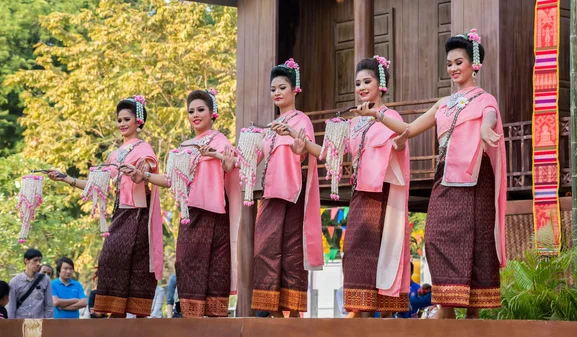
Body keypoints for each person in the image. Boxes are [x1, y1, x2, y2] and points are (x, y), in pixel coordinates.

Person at [375, 29, 507, 319]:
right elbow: (409, 129)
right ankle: (446, 304)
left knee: (476, 238)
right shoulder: (443, 104)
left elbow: (490, 115)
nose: (453, 69)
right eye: (449, 64)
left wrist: (486, 128)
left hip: (475, 179)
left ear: (474, 64)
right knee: (434, 235)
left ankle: (471, 313)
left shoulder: (484, 98)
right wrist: (377, 115)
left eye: (459, 62)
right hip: (445, 177)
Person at [274, 56, 411, 318]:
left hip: (382, 195)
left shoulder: (389, 116)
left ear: (380, 84)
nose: (361, 87)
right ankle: (359, 310)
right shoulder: (353, 123)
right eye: (358, 83)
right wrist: (295, 136)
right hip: (360, 193)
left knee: (381, 251)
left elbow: (403, 135)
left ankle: (373, 313)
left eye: (367, 81)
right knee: (355, 249)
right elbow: (328, 154)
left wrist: (395, 138)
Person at [48, 96, 164, 318]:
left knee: (131, 262)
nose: (121, 124)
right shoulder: (115, 154)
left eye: (126, 119)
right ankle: (115, 313)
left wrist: (141, 173)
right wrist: (66, 178)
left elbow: (146, 170)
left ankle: (138, 314)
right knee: (109, 259)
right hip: (120, 213)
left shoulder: (144, 148)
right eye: (119, 119)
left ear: (138, 121)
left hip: (138, 213)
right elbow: (96, 186)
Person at [133, 89, 241, 318]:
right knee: (185, 262)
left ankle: (216, 322)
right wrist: (146, 177)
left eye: (200, 109)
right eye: (191, 111)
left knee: (215, 267)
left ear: (213, 114)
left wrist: (224, 161)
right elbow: (171, 180)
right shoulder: (183, 147)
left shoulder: (220, 141)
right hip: (190, 214)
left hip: (215, 214)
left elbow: (234, 166)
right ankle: (191, 319)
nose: (195, 115)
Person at [231, 58, 323, 317]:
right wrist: (228, 159)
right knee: (264, 249)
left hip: (292, 193)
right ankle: (269, 309)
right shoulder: (269, 129)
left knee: (291, 253)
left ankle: (292, 313)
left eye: (282, 87)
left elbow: (303, 150)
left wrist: (296, 144)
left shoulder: (301, 120)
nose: (277, 93)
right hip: (270, 193)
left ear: (295, 89)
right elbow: (250, 158)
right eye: (273, 89)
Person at [8, 248, 53, 319]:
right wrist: (11, 325)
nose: (38, 264)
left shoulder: (45, 280)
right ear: (26, 261)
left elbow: (49, 305)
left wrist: (47, 323)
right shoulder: (15, 282)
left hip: (39, 323)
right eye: (35, 260)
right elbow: (11, 307)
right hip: (20, 322)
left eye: (39, 261)